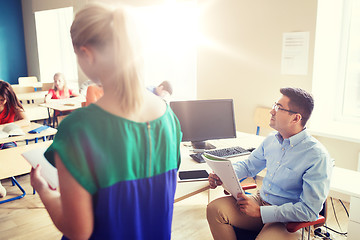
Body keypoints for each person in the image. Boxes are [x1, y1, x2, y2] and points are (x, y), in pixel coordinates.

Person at [30, 3, 182, 240]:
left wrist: (42, 189)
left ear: (87, 54)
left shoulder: (78, 129)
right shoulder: (169, 117)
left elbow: (78, 231)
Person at [207, 87, 333, 240]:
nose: (271, 111)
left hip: (287, 218)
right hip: (260, 202)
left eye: (279, 108)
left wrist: (261, 212)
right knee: (215, 209)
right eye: (275, 105)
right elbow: (248, 166)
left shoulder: (317, 156)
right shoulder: (272, 139)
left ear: (295, 118)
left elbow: (309, 210)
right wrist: (223, 174)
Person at [0, 80, 30, 198]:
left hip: (7, 141)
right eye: (0, 99)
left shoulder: (12, 105)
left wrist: (4, 126)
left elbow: (26, 120)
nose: (2, 102)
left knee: (8, 153)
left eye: (3, 99)